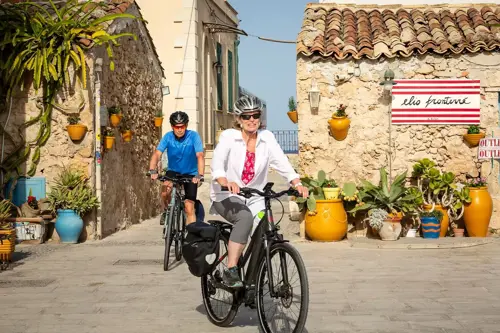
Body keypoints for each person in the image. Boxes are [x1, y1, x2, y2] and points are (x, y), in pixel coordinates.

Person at [209, 95, 308, 288]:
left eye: (255, 115)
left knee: (265, 226)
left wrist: (297, 183)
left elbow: (282, 162)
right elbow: (218, 163)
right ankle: (231, 269)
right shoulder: (229, 136)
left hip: (255, 197)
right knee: (244, 218)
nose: (252, 120)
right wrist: (225, 181)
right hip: (227, 195)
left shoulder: (267, 138)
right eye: (246, 116)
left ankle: (253, 282)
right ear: (238, 119)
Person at [149, 111, 205, 226]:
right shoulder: (168, 137)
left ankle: (191, 237)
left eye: (182, 127)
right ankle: (166, 210)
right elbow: (157, 154)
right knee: (165, 191)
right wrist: (152, 170)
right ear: (172, 127)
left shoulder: (193, 136)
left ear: (186, 126)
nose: (179, 129)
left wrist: (200, 174)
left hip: (191, 173)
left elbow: (200, 156)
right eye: (176, 127)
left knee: (189, 207)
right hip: (173, 171)